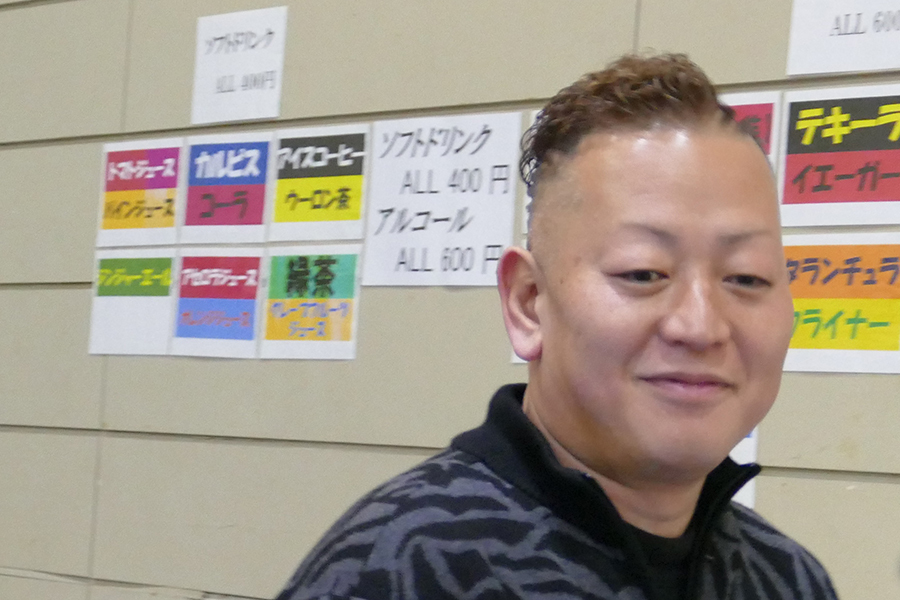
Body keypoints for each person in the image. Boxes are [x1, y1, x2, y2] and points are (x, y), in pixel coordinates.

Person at [275, 54, 838, 600]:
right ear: (528, 302)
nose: (701, 326)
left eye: (746, 278)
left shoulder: (786, 578)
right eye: (643, 273)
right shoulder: (399, 568)